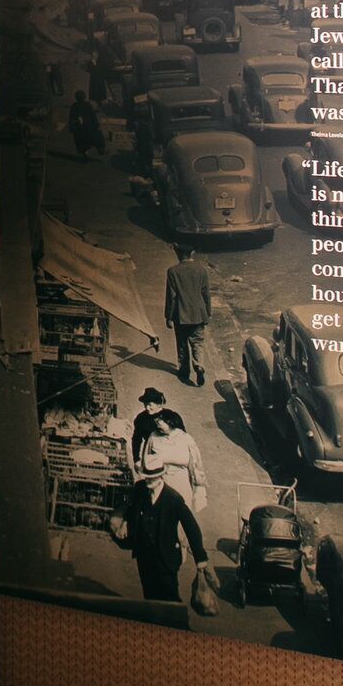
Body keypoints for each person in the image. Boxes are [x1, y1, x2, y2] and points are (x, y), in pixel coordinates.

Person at [128, 403, 215, 619]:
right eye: (146, 478)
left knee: (169, 597)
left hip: (167, 557)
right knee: (149, 594)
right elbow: (132, 510)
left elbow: (192, 526)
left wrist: (201, 560)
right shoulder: (140, 488)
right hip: (145, 556)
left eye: (152, 479)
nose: (148, 482)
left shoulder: (173, 499)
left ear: (161, 476)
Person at [165, 242, 215, 382]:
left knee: (182, 344)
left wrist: (168, 316)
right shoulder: (202, 270)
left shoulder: (173, 271)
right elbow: (206, 293)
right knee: (197, 343)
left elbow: (172, 296)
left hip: (180, 315)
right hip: (198, 314)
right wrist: (207, 313)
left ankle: (184, 371)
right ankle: (198, 366)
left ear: (178, 254)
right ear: (192, 253)